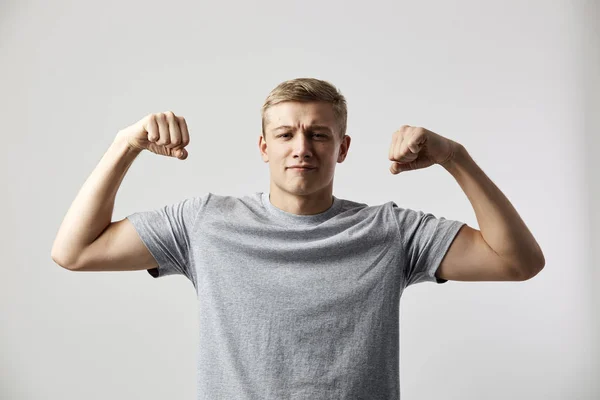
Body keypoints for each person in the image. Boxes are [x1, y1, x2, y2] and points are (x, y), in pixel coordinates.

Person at [51, 77, 545, 399]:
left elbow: (517, 261)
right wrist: (125, 145)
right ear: (264, 147)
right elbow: (75, 251)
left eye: (319, 134)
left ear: (342, 148)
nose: (302, 148)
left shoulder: (390, 232)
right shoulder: (204, 223)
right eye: (285, 135)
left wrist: (454, 156)